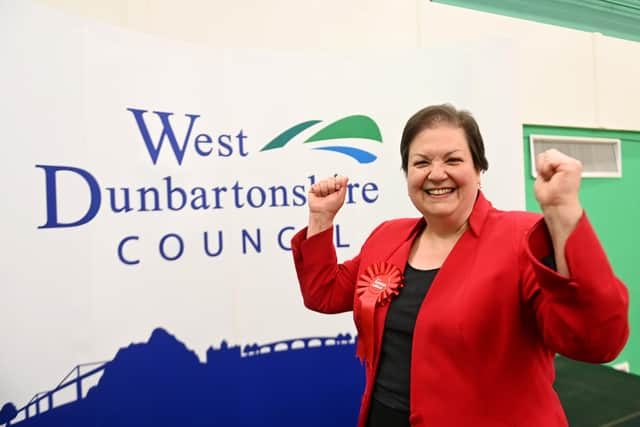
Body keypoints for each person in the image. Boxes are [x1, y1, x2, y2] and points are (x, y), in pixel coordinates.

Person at [290, 104, 629, 427]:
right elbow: (324, 292)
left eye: (453, 160)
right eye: (421, 163)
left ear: (479, 170)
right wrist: (321, 218)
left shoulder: (522, 238)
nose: (436, 174)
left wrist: (563, 213)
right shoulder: (386, 236)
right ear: (407, 174)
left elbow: (596, 341)